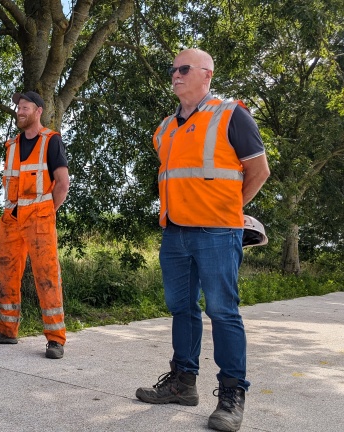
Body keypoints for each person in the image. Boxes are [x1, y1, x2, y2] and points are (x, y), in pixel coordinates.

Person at [135, 48, 270, 432]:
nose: (175, 74)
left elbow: (259, 171)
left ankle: (232, 395)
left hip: (216, 232)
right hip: (174, 232)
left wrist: (230, 211)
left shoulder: (231, 114)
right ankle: (182, 383)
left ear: (207, 75)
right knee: (182, 308)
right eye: (172, 69)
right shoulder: (164, 129)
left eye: (184, 68)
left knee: (222, 311)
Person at [0, 91, 70, 359]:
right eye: (18, 107)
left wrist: (45, 212)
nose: (19, 111)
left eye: (25, 107)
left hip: (39, 218)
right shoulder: (11, 145)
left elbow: (62, 184)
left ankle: (56, 339)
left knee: (47, 276)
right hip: (11, 219)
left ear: (38, 111)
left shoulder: (51, 141)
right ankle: (7, 330)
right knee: (6, 273)